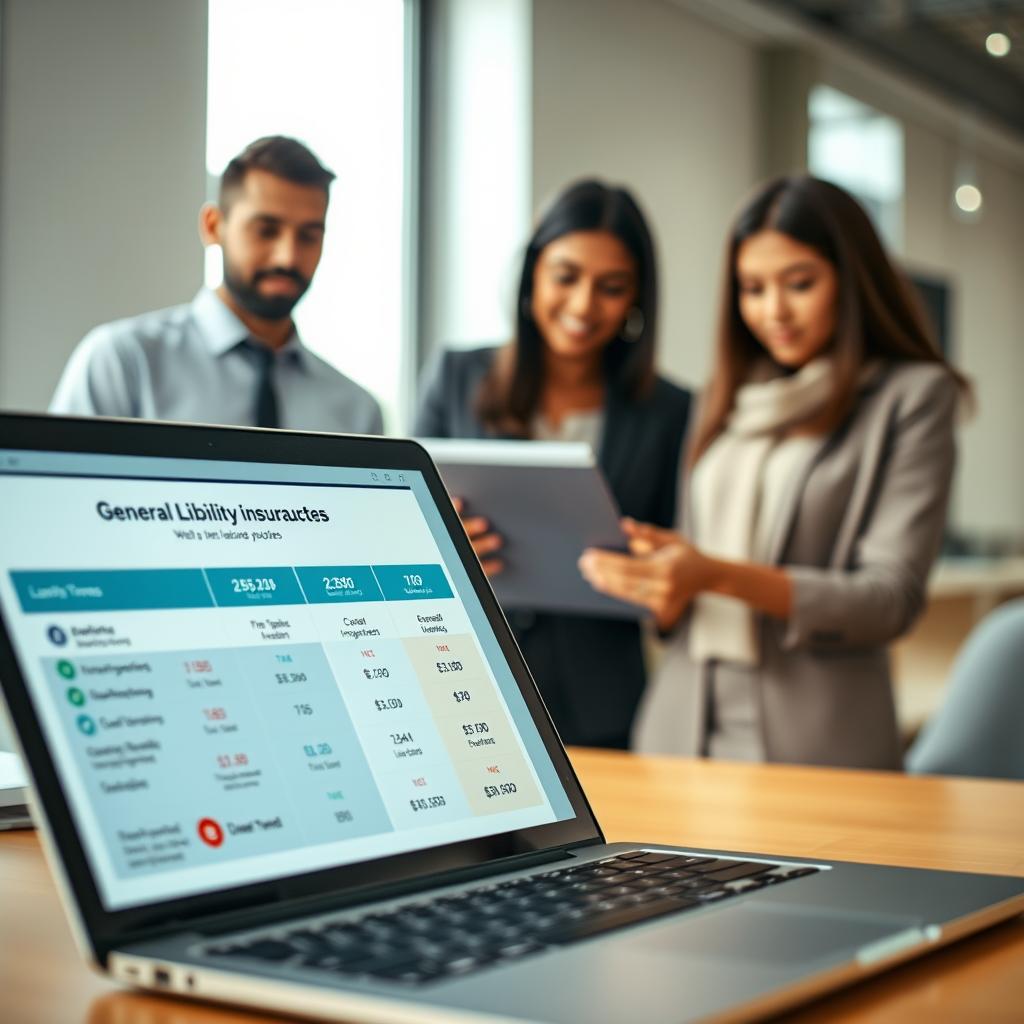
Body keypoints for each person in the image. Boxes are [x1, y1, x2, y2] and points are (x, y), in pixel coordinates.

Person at [579, 175, 969, 769]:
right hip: (678, 730)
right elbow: (684, 579)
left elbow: (889, 600)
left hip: (818, 741)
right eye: (752, 288)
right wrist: (658, 581)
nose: (773, 311)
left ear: (852, 280)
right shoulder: (721, 399)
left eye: (800, 284)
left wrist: (712, 574)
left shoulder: (911, 397)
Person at [415, 180, 692, 749]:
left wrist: (658, 580)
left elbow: (678, 563)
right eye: (566, 277)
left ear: (638, 297)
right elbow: (400, 527)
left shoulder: (670, 411)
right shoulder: (457, 374)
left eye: (611, 287)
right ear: (532, 275)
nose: (584, 305)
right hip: (466, 679)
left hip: (602, 701)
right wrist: (441, 546)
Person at [50, 136, 383, 434]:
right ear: (212, 227)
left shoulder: (356, 410)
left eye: (309, 235)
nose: (288, 257)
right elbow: (58, 498)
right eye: (266, 230)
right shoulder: (124, 363)